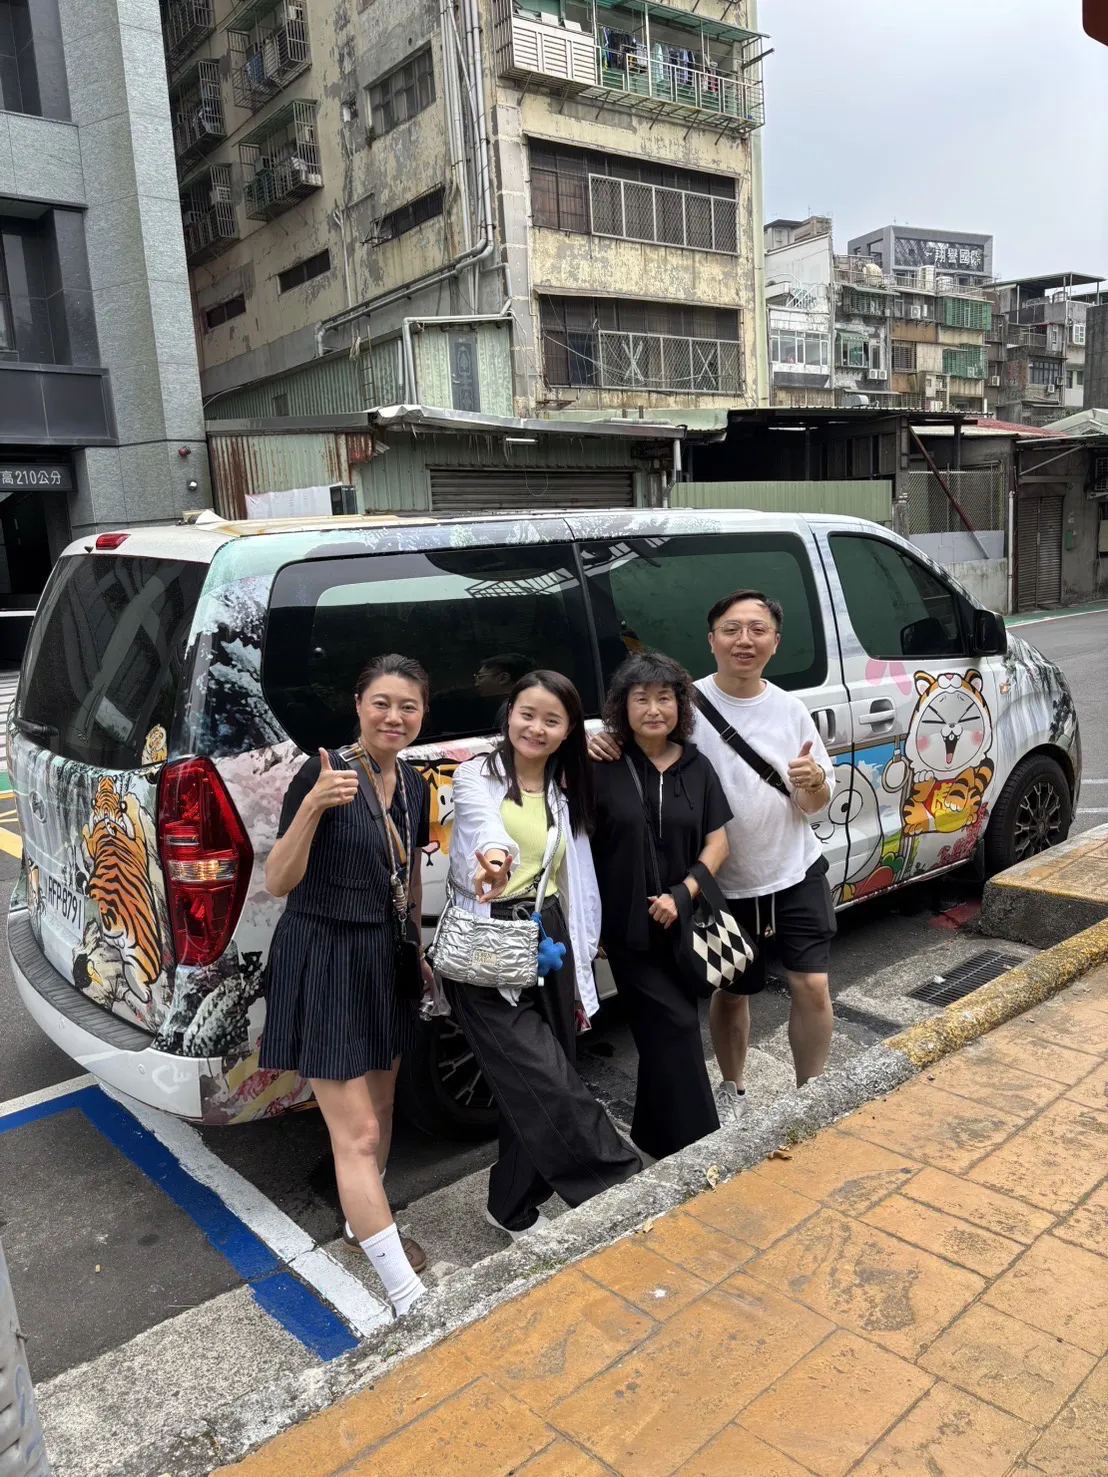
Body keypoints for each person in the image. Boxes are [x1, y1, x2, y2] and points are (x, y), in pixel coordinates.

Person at [590, 590, 835, 1108]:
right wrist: (598, 739)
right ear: (711, 639)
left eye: (757, 629)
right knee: (730, 989)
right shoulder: (685, 704)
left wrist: (812, 780)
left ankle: (811, 1093)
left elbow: (815, 803)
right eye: (731, 628)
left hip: (794, 870)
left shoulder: (791, 710)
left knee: (812, 986)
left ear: (774, 642)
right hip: (721, 882)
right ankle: (733, 1087)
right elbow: (638, 737)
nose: (744, 640)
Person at [261, 654, 433, 1318]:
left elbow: (408, 876)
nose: (394, 716)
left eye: (408, 706)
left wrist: (416, 947)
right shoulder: (324, 770)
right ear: (358, 703)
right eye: (382, 702)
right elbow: (278, 881)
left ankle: (368, 1228)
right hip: (326, 951)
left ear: (422, 715)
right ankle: (406, 1294)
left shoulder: (412, 782)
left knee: (386, 1108)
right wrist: (310, 808)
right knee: (358, 1130)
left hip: (383, 956)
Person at [441, 670, 641, 1238]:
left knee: (537, 1079)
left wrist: (586, 931)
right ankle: (623, 1188)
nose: (536, 727)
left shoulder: (564, 783)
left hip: (547, 934)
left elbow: (574, 866)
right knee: (549, 1079)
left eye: (552, 720)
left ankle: (510, 1206)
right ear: (508, 715)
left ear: (567, 730)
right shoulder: (476, 775)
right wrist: (494, 861)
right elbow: (484, 830)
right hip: (489, 939)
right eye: (527, 714)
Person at [590, 652, 732, 1159]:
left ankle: (653, 1135)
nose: (654, 709)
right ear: (621, 707)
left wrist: (683, 892)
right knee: (675, 1029)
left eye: (664, 698)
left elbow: (718, 845)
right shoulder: (600, 765)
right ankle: (700, 1148)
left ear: (680, 704)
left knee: (661, 1036)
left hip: (685, 921)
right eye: (641, 698)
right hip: (627, 928)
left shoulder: (697, 765)